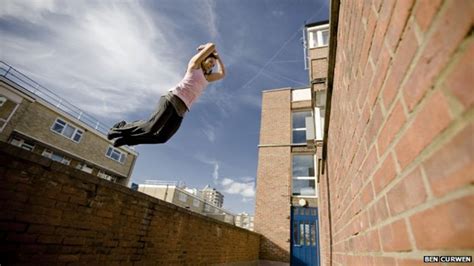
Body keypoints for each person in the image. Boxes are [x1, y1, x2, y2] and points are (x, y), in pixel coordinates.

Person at [107, 42, 225, 147]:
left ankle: (127, 140)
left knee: (162, 137)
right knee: (151, 127)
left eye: (213, 65)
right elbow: (212, 45)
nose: (211, 65)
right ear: (204, 59)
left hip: (182, 110)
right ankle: (120, 128)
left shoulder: (207, 78)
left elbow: (222, 73)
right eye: (210, 62)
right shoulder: (195, 65)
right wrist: (208, 49)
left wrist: (217, 58)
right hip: (172, 99)